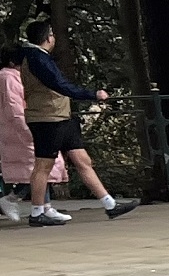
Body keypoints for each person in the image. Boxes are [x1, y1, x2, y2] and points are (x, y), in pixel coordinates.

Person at [18, 19, 137, 224]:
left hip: (60, 116)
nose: (54, 37)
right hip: (47, 118)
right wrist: (91, 94)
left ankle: (109, 204)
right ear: (48, 38)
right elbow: (59, 85)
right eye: (53, 33)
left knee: (83, 161)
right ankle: (37, 212)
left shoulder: (38, 57)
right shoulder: (37, 59)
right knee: (43, 165)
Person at [0, 41, 66, 225]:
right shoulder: (8, 77)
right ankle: (19, 199)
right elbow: (14, 107)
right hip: (21, 128)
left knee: (39, 166)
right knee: (39, 166)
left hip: (21, 126)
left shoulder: (11, 76)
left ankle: (44, 206)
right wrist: (26, 126)